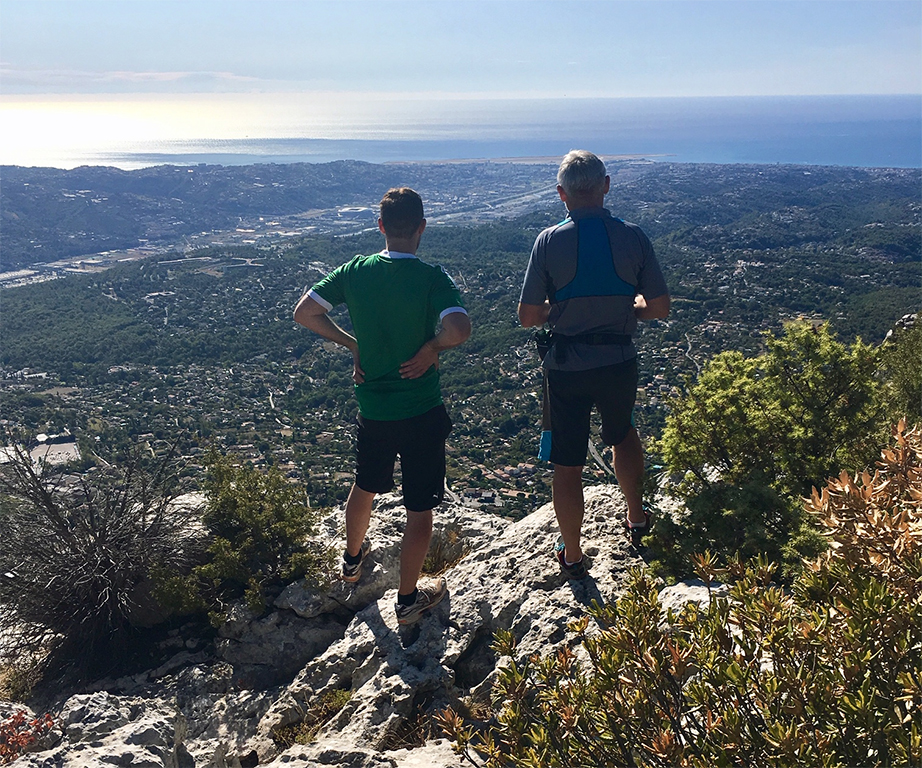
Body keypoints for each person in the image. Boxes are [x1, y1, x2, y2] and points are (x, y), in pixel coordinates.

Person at [294, 187, 471, 624]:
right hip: (421, 411)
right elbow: (460, 328)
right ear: (422, 228)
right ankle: (408, 600)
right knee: (419, 508)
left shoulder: (356, 271)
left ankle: (352, 561)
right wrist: (432, 348)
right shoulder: (432, 277)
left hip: (373, 408)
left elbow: (305, 313)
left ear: (381, 227)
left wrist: (354, 344)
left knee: (366, 484)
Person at [518, 150, 670, 578]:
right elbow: (659, 306)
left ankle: (572, 553)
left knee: (568, 462)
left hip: (566, 366)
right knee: (623, 436)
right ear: (605, 186)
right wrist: (629, 310)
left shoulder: (549, 241)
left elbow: (528, 316)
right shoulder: (634, 237)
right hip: (618, 359)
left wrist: (561, 311)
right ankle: (637, 520)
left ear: (561, 194)